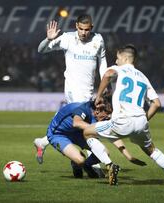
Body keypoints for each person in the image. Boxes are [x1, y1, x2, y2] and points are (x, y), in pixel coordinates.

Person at [83, 44, 164, 186]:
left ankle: (109, 165)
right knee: (152, 150)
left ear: (125, 58)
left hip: (122, 120)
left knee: (87, 132)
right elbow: (156, 103)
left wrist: (99, 95)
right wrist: (145, 118)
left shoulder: (118, 69)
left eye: (118, 58)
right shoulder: (143, 77)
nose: (116, 60)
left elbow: (107, 75)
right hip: (140, 122)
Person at [33, 14, 108, 165]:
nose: (83, 33)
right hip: (73, 90)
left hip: (89, 91)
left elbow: (103, 64)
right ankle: (96, 163)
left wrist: (106, 85)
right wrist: (48, 39)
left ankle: (43, 142)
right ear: (76, 26)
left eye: (86, 30)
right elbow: (41, 50)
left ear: (91, 28)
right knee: (86, 125)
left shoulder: (98, 40)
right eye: (80, 29)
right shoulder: (67, 38)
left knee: (71, 122)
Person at [46, 99, 147, 178]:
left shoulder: (98, 114)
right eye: (106, 117)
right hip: (59, 134)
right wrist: (96, 130)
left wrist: (128, 156)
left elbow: (113, 136)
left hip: (77, 133)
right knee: (80, 160)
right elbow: (76, 123)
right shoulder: (83, 108)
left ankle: (87, 165)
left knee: (104, 153)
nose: (107, 119)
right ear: (98, 111)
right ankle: (76, 163)